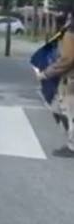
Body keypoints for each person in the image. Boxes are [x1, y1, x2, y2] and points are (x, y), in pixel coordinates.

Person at [39, 11, 74, 158]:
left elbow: (67, 60)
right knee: (61, 109)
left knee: (68, 111)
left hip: (70, 80)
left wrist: (47, 73)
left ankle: (72, 146)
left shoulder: (70, 34)